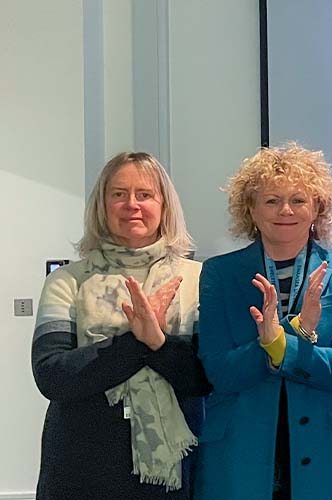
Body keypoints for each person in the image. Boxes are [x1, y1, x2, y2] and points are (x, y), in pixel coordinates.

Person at [32, 152, 208, 499]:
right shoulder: (69, 280)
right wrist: (136, 342)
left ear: (164, 206)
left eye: (144, 194)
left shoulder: (198, 280)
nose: (132, 204)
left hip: (173, 472)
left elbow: (202, 378)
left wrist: (157, 341)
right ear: (102, 205)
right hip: (79, 463)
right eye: (118, 194)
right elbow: (52, 375)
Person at [195, 143, 332, 500]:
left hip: (321, 454)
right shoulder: (219, 274)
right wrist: (298, 331)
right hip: (238, 454)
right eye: (271, 200)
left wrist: (278, 342)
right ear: (251, 210)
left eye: (298, 200)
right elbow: (219, 372)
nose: (285, 210)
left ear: (317, 208)